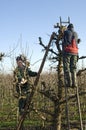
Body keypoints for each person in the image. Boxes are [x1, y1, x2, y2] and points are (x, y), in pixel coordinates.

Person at [62, 23, 80, 88]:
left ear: (68, 28)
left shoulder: (66, 32)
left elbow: (63, 41)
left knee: (66, 67)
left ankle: (68, 83)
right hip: (75, 52)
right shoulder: (76, 33)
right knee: (73, 68)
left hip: (67, 51)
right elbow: (77, 43)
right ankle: (74, 83)